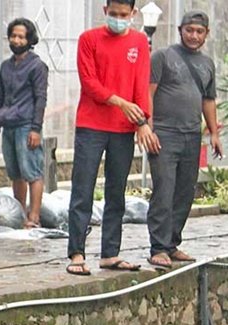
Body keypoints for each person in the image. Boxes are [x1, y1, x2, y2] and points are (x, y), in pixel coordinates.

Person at [66, 0, 159, 276]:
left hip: (123, 129)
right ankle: (77, 252)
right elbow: (89, 82)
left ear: (133, 14)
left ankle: (110, 253)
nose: (118, 19)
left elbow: (141, 84)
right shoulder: (88, 39)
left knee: (116, 193)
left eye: (124, 15)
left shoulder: (140, 42)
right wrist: (119, 101)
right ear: (105, 11)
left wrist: (143, 122)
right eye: (113, 14)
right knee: (83, 190)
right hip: (91, 125)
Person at [146, 11, 222, 268]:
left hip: (192, 135)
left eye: (199, 31)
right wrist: (148, 127)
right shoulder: (163, 57)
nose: (194, 36)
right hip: (164, 135)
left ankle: (172, 244)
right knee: (164, 190)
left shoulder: (207, 64)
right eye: (189, 30)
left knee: (185, 192)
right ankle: (158, 247)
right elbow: (148, 93)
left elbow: (208, 100)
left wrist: (213, 133)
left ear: (206, 34)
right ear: (180, 30)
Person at [0, 19, 49, 229]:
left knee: (32, 171)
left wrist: (36, 128)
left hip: (26, 124)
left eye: (21, 36)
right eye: (13, 36)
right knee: (15, 173)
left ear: (30, 39)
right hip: (8, 125)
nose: (17, 40)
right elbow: (1, 96)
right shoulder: (6, 66)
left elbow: (41, 98)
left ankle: (34, 217)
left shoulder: (37, 66)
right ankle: (19, 214)